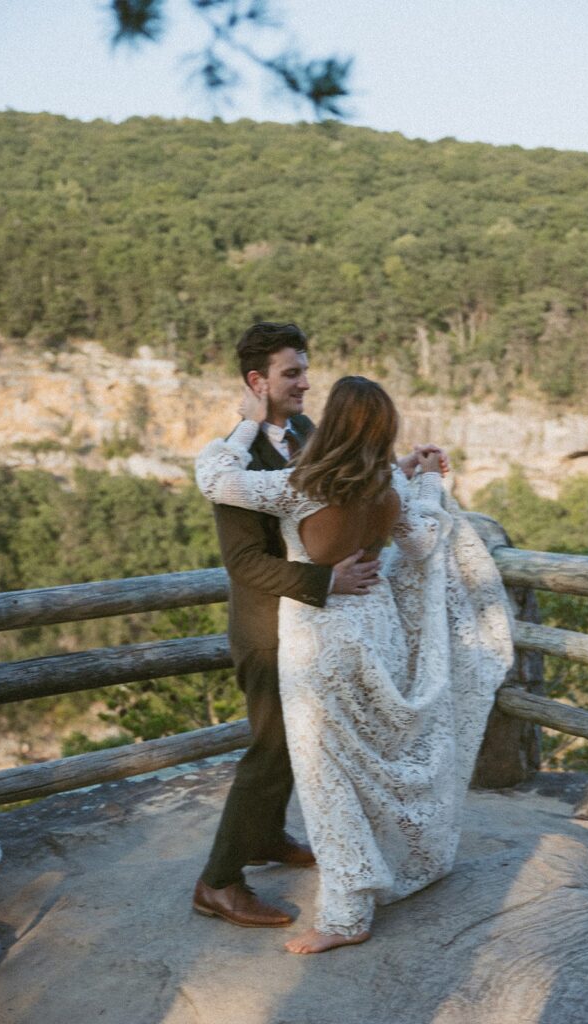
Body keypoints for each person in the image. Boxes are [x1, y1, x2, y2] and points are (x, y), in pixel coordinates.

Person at [195, 373, 514, 954]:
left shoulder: (297, 484)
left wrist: (247, 420)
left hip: (319, 641)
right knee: (375, 761)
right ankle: (389, 863)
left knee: (329, 778)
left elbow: (213, 477)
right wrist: (425, 484)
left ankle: (345, 916)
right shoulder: (387, 483)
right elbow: (418, 545)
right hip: (378, 630)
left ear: (334, 422)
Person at [192, 323, 385, 930]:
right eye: (291, 373)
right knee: (272, 750)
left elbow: (344, 489)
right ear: (258, 382)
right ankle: (217, 883)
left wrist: (404, 469)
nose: (306, 383)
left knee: (290, 748)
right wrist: (326, 583)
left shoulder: (304, 432)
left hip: (309, 629)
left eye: (305, 370)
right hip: (269, 630)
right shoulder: (239, 455)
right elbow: (244, 561)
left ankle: (266, 836)